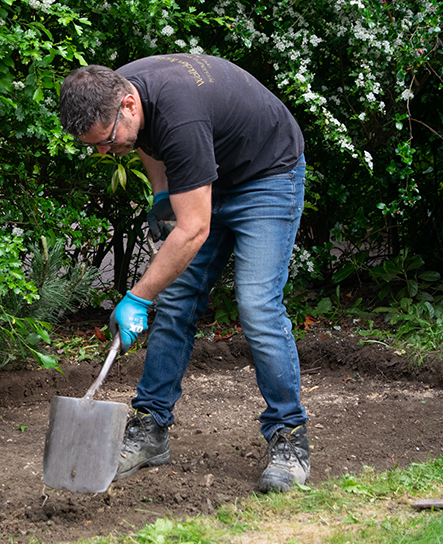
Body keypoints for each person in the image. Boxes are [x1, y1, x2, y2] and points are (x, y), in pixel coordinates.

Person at [58, 53, 309, 493]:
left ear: (128, 106)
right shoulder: (124, 90)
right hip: (205, 176)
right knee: (177, 301)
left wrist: (137, 297)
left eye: (106, 141)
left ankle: (289, 438)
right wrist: (161, 195)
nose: (103, 152)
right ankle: (152, 429)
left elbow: (194, 228)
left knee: (257, 307)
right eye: (94, 146)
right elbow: (145, 143)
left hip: (266, 176)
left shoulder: (180, 117)